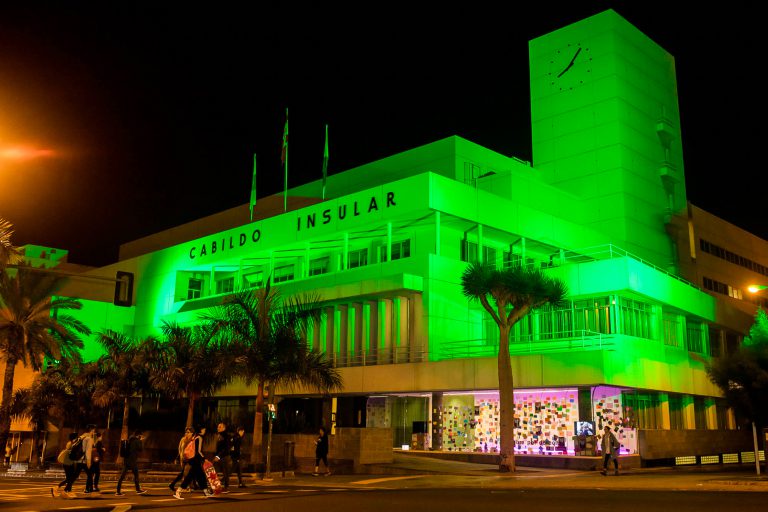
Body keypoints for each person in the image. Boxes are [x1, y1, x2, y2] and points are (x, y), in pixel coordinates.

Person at [174, 425, 212, 499]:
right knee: (190, 477)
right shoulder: (199, 438)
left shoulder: (195, 437)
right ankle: (179, 491)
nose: (205, 431)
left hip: (193, 459)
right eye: (204, 430)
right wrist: (204, 458)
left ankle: (205, 491)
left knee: (201, 476)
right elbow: (198, 451)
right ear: (201, 430)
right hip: (196, 460)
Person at [115, 430, 148, 496]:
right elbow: (140, 449)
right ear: (139, 435)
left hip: (126, 460)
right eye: (140, 436)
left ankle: (118, 491)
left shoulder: (130, 440)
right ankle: (138, 490)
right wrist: (141, 441)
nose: (141, 437)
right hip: (132, 461)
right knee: (136, 475)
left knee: (122, 476)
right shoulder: (136, 441)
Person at [51, 432, 78, 498]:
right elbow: (69, 450)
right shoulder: (70, 444)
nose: (77, 438)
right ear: (74, 438)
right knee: (70, 478)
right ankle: (59, 488)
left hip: (70, 463)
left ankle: (66, 490)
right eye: (76, 437)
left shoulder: (73, 444)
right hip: (67, 463)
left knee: (70, 478)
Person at [169, 426, 195, 491]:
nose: (187, 433)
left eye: (188, 432)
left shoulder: (193, 440)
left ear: (192, 433)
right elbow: (180, 450)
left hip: (191, 459)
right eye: (186, 432)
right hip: (183, 459)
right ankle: (188, 486)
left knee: (185, 473)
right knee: (185, 473)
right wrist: (177, 458)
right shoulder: (183, 439)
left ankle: (187, 486)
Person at [213, 422, 231, 492]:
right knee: (214, 472)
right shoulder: (219, 435)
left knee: (225, 472)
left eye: (220, 427)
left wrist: (218, 456)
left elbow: (226, 449)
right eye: (218, 427)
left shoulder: (226, 436)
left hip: (224, 457)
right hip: (218, 457)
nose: (218, 428)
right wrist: (216, 455)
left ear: (224, 428)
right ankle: (216, 486)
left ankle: (226, 487)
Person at [81, 424, 97, 495]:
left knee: (74, 475)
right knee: (90, 475)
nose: (94, 432)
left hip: (80, 459)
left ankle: (88, 489)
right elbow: (88, 451)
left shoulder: (82, 437)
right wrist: (88, 461)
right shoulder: (89, 439)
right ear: (92, 430)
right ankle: (88, 489)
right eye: (94, 430)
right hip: (85, 460)